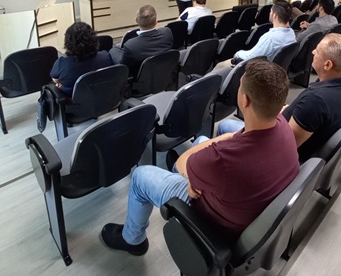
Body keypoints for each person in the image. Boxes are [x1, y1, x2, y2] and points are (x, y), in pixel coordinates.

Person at [99, 59, 299, 256]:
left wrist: (204, 158)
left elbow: (183, 160)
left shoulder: (222, 159)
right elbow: (234, 144)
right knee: (202, 139)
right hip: (245, 206)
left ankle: (132, 239)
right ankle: (190, 175)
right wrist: (224, 140)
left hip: (210, 222)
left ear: (245, 100)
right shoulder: (282, 124)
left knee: (141, 175)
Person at [218, 33, 341, 162]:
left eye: (318, 51)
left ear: (327, 64)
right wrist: (289, 110)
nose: (313, 52)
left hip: (272, 148)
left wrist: (274, 119)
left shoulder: (316, 101)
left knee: (224, 126)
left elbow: (283, 148)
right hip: (282, 127)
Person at [109, 5, 173, 77]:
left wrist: (113, 49)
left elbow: (123, 65)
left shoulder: (131, 45)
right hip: (162, 71)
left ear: (136, 20)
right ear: (156, 22)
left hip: (139, 77)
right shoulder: (167, 32)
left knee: (113, 50)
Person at [50, 21, 113, 95]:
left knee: (41, 102)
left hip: (74, 103)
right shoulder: (106, 56)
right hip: (103, 97)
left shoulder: (62, 64)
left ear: (68, 42)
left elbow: (55, 80)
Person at [231, 0, 295, 64]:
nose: (269, 13)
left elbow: (250, 57)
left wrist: (238, 54)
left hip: (263, 71)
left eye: (270, 11)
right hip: (278, 70)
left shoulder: (270, 38)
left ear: (275, 15)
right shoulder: (291, 33)